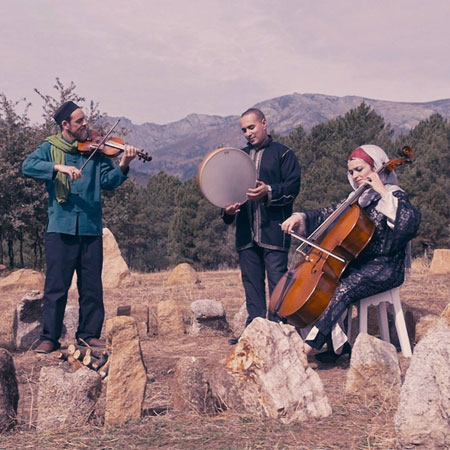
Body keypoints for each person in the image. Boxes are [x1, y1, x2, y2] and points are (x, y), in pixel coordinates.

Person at [281, 144, 421, 360]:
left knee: (344, 288)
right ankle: (339, 346)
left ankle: (309, 348)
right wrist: (300, 217)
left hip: (386, 267)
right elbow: (327, 215)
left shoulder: (394, 195)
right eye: (352, 171)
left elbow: (409, 225)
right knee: (321, 285)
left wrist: (382, 192)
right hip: (359, 264)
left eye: (360, 169)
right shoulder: (357, 199)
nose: (355, 175)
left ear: (376, 168)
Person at [22, 101, 138, 354]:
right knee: (56, 287)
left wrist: (124, 165)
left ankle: (88, 335)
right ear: (65, 125)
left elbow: (108, 182)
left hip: (90, 226)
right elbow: (27, 166)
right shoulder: (50, 147)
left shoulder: (96, 151)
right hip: (60, 227)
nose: (86, 124)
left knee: (91, 286)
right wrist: (58, 167)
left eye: (85, 119)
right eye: (79, 121)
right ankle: (50, 337)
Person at [223, 108, 301, 342]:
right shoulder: (239, 158)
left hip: (274, 232)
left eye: (252, 127)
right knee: (251, 283)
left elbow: (292, 189)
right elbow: (229, 192)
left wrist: (267, 191)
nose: (248, 133)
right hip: (246, 234)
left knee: (278, 282)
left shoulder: (284, 154)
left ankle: (278, 331)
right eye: (244, 130)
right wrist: (227, 210)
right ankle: (254, 333)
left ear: (264, 123)